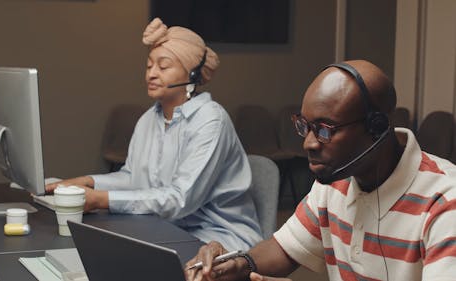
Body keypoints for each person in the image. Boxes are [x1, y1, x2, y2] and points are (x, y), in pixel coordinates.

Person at [186, 60, 456, 281]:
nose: (308, 143)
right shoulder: (335, 180)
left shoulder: (445, 203)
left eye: (325, 130)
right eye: (305, 126)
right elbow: (283, 249)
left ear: (376, 128)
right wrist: (236, 264)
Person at [46, 18, 262, 251]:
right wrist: (86, 182)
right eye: (149, 66)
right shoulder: (149, 118)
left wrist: (100, 199)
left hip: (217, 237)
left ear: (192, 73)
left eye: (164, 66)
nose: (152, 74)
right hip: (166, 228)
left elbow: (180, 200)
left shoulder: (211, 120)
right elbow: (132, 177)